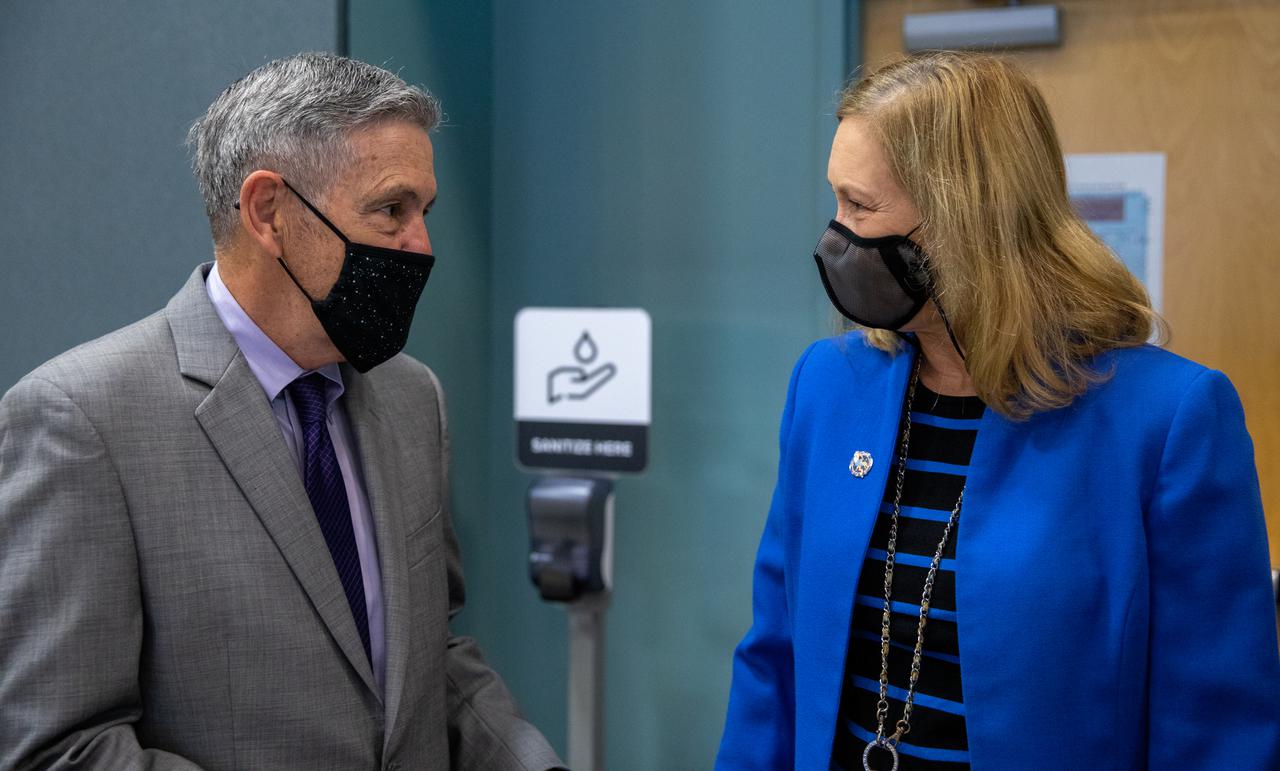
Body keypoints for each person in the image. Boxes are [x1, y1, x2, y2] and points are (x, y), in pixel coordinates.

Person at [716, 52, 1280, 770]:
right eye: (836, 200)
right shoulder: (828, 386)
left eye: (860, 206)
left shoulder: (1168, 420)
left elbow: (1218, 730)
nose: (836, 234)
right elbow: (775, 661)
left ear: (963, 219)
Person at [0, 53, 562, 770]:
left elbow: (430, 664)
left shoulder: (412, 395)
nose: (421, 245)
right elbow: (58, 745)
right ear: (268, 211)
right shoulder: (80, 420)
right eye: (392, 209)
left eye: (425, 211)